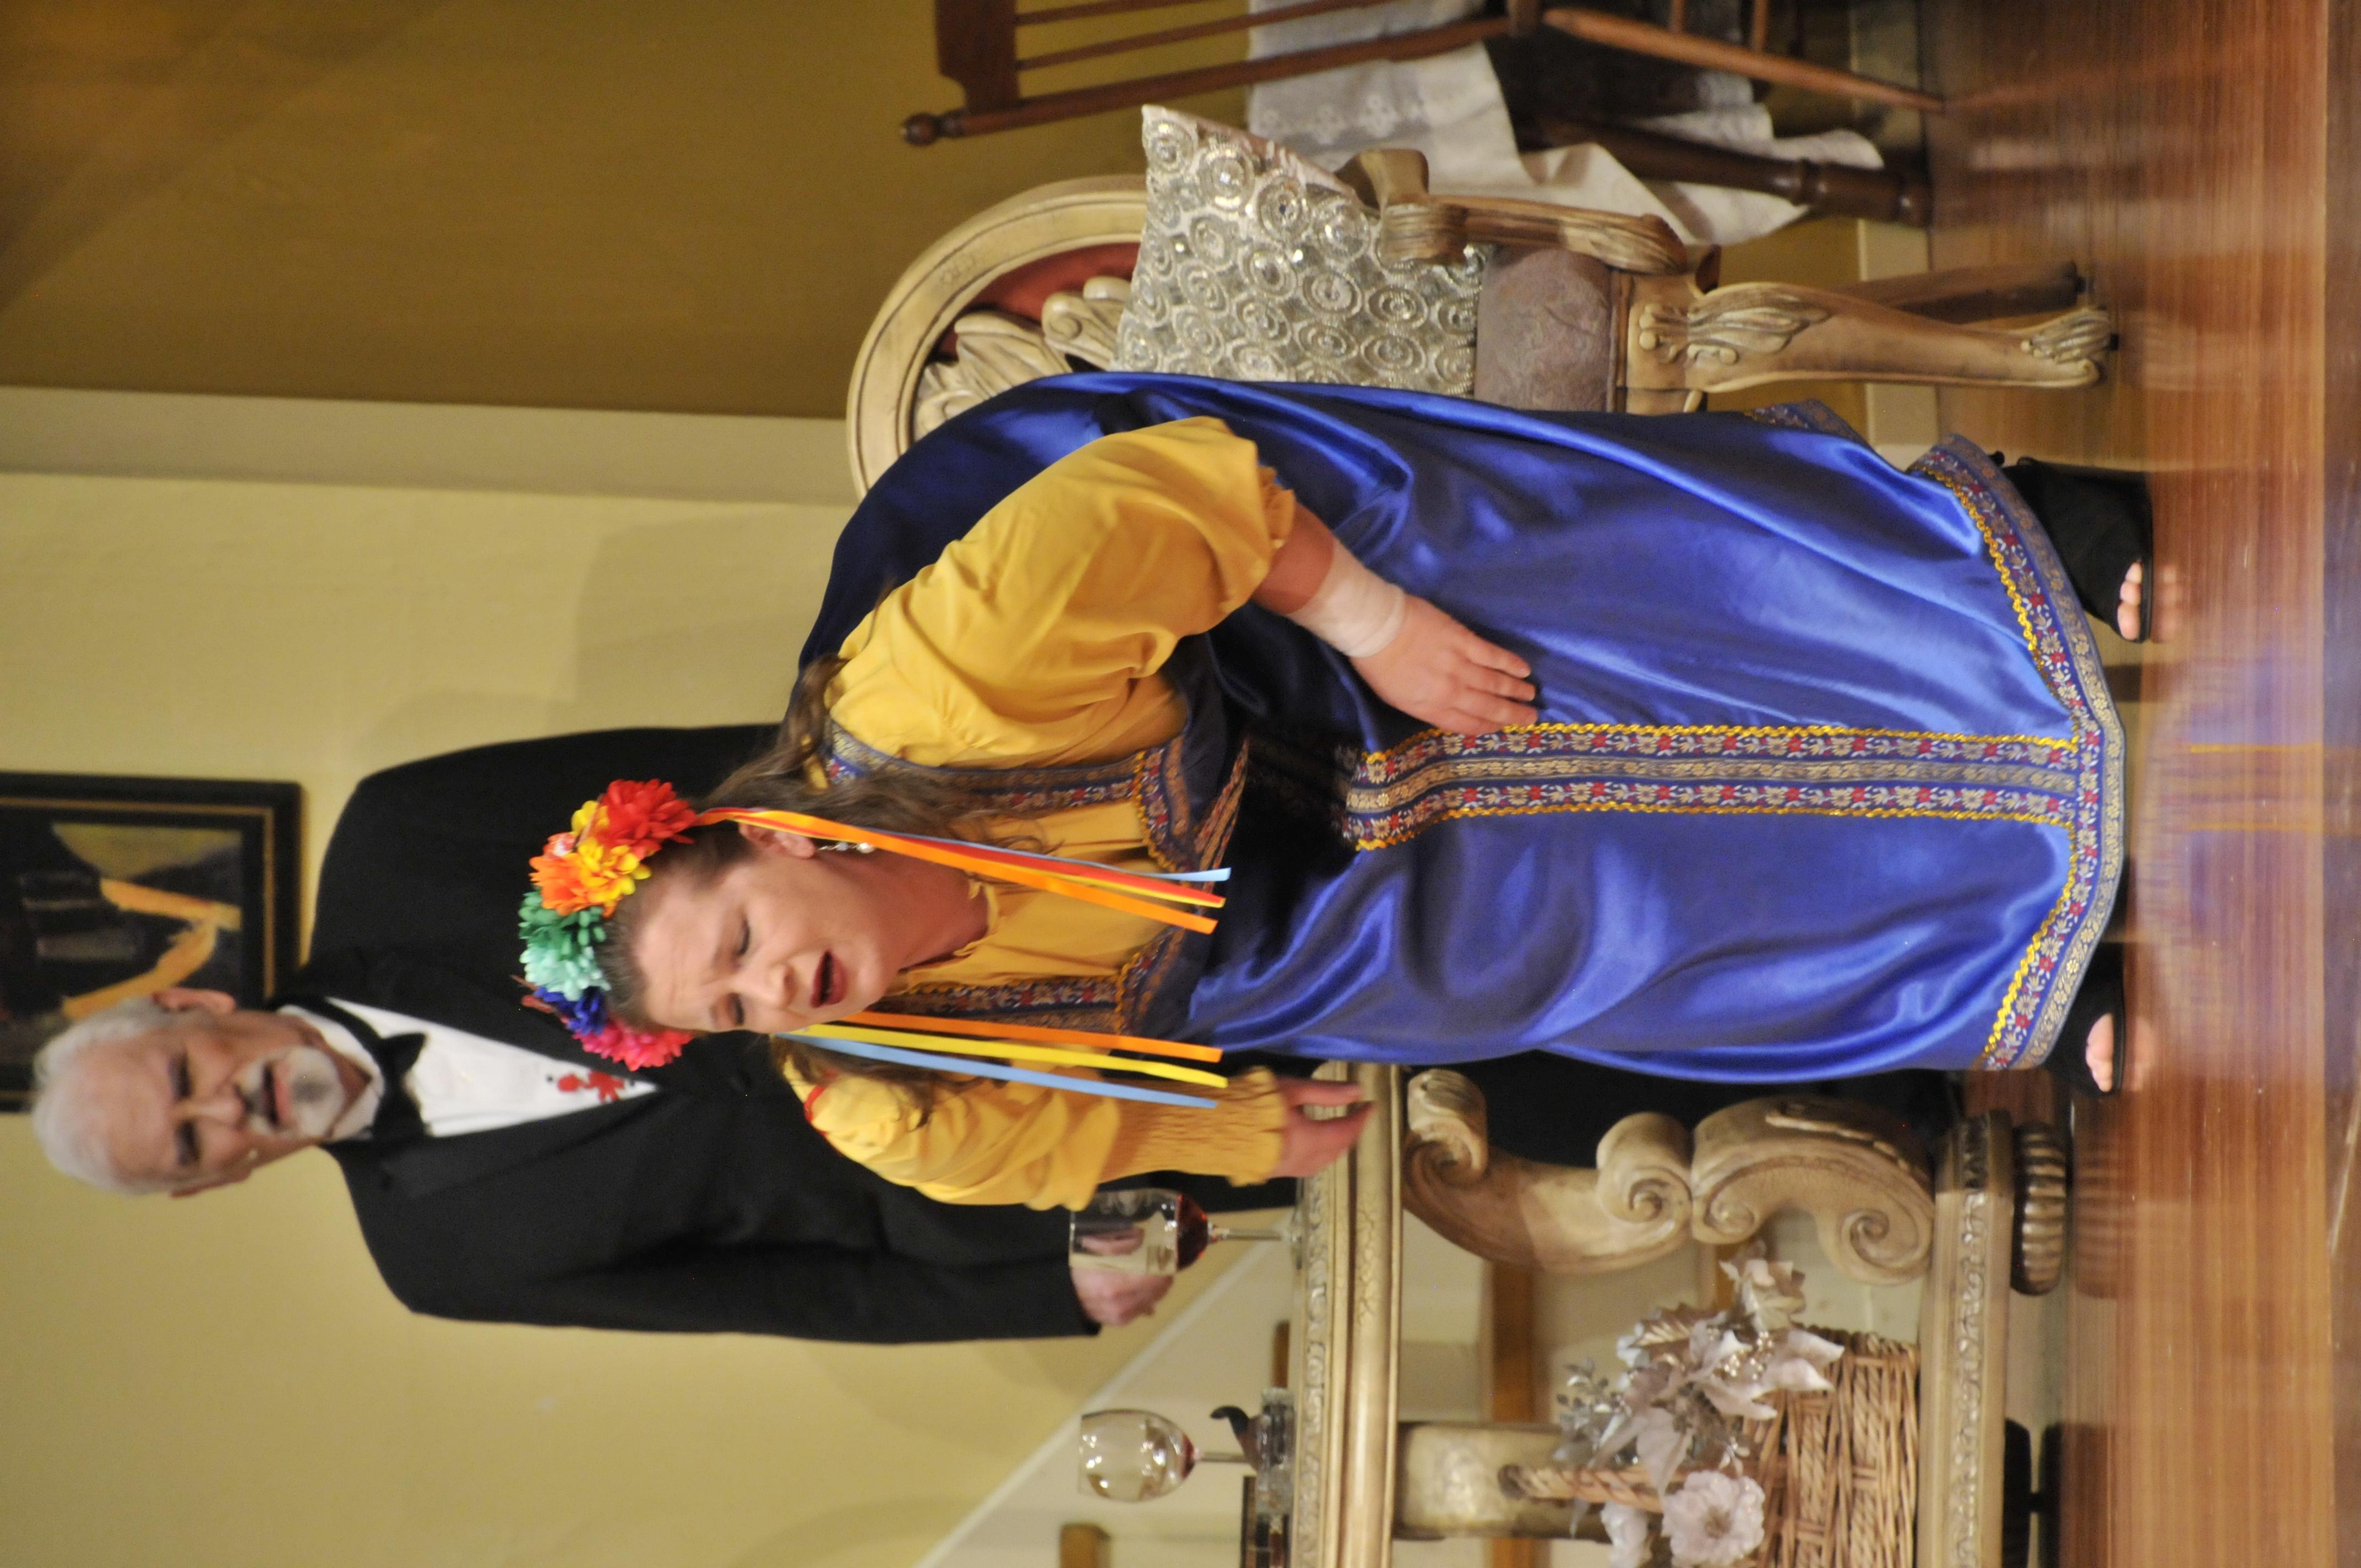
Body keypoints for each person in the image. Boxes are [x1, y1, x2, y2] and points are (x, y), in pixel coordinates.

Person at [531, 377, 2140, 1207]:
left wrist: (1374, 624)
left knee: (1548, 619)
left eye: (738, 937)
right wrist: (1242, 1133)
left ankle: (2004, 549)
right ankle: (2011, 966)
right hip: (1276, 931)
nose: (773, 988)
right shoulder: (881, 1096)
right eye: (731, 1010)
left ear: (769, 832)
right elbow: (1078, 1137)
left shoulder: (920, 697)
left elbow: (1157, 498)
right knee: (1563, 951)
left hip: (1274, 650)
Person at [25, 727, 1297, 1338]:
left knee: (1331, 947)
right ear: (210, 1182)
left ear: (193, 1005)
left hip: (1026, 930)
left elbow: (735, 770)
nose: (222, 1108)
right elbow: (782, 1294)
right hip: (1022, 1181)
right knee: (1363, 1144)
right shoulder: (438, 1262)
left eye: (184, 1076)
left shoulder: (398, 839)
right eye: (189, 1141)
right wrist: (1044, 1289)